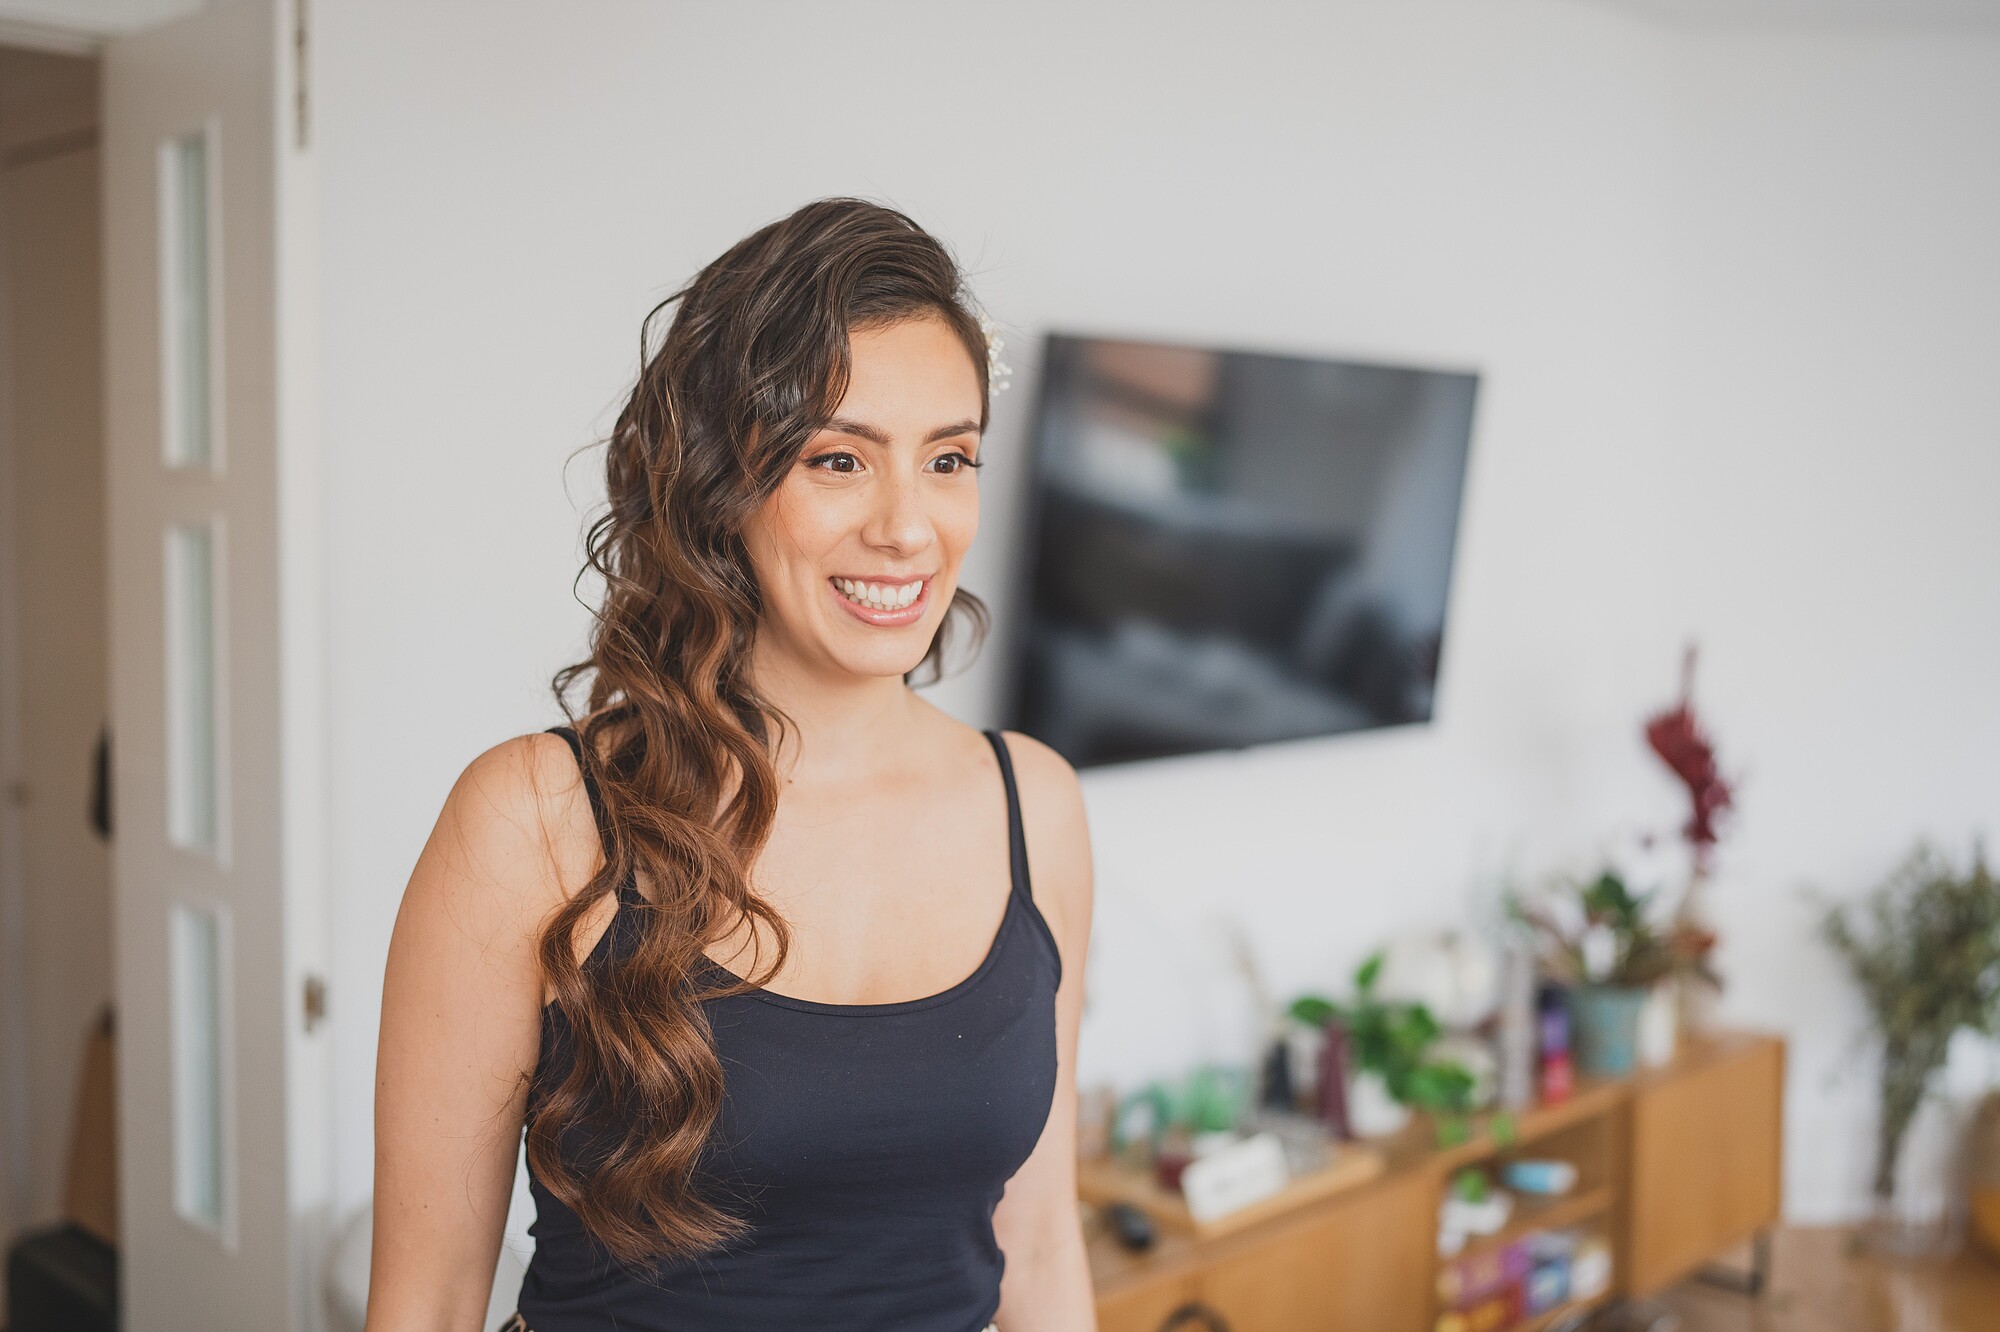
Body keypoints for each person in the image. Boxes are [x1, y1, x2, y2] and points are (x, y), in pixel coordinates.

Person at [365, 199, 1097, 1332]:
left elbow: (1040, 1247)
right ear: (722, 483)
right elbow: (428, 1297)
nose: (909, 527)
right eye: (837, 458)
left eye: (948, 457)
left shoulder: (1031, 806)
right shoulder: (535, 819)